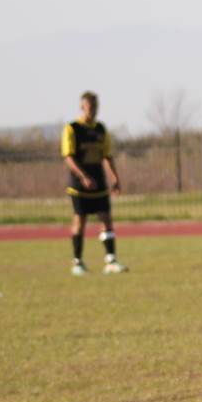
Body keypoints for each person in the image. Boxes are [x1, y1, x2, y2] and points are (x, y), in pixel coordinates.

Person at [62, 91, 126, 275]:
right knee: (80, 220)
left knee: (106, 219)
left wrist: (115, 178)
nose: (93, 111)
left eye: (96, 107)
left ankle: (111, 260)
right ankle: (77, 262)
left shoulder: (100, 129)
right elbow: (68, 157)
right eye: (90, 107)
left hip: (99, 181)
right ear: (82, 107)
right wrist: (83, 176)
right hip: (79, 185)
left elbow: (106, 156)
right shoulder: (72, 129)